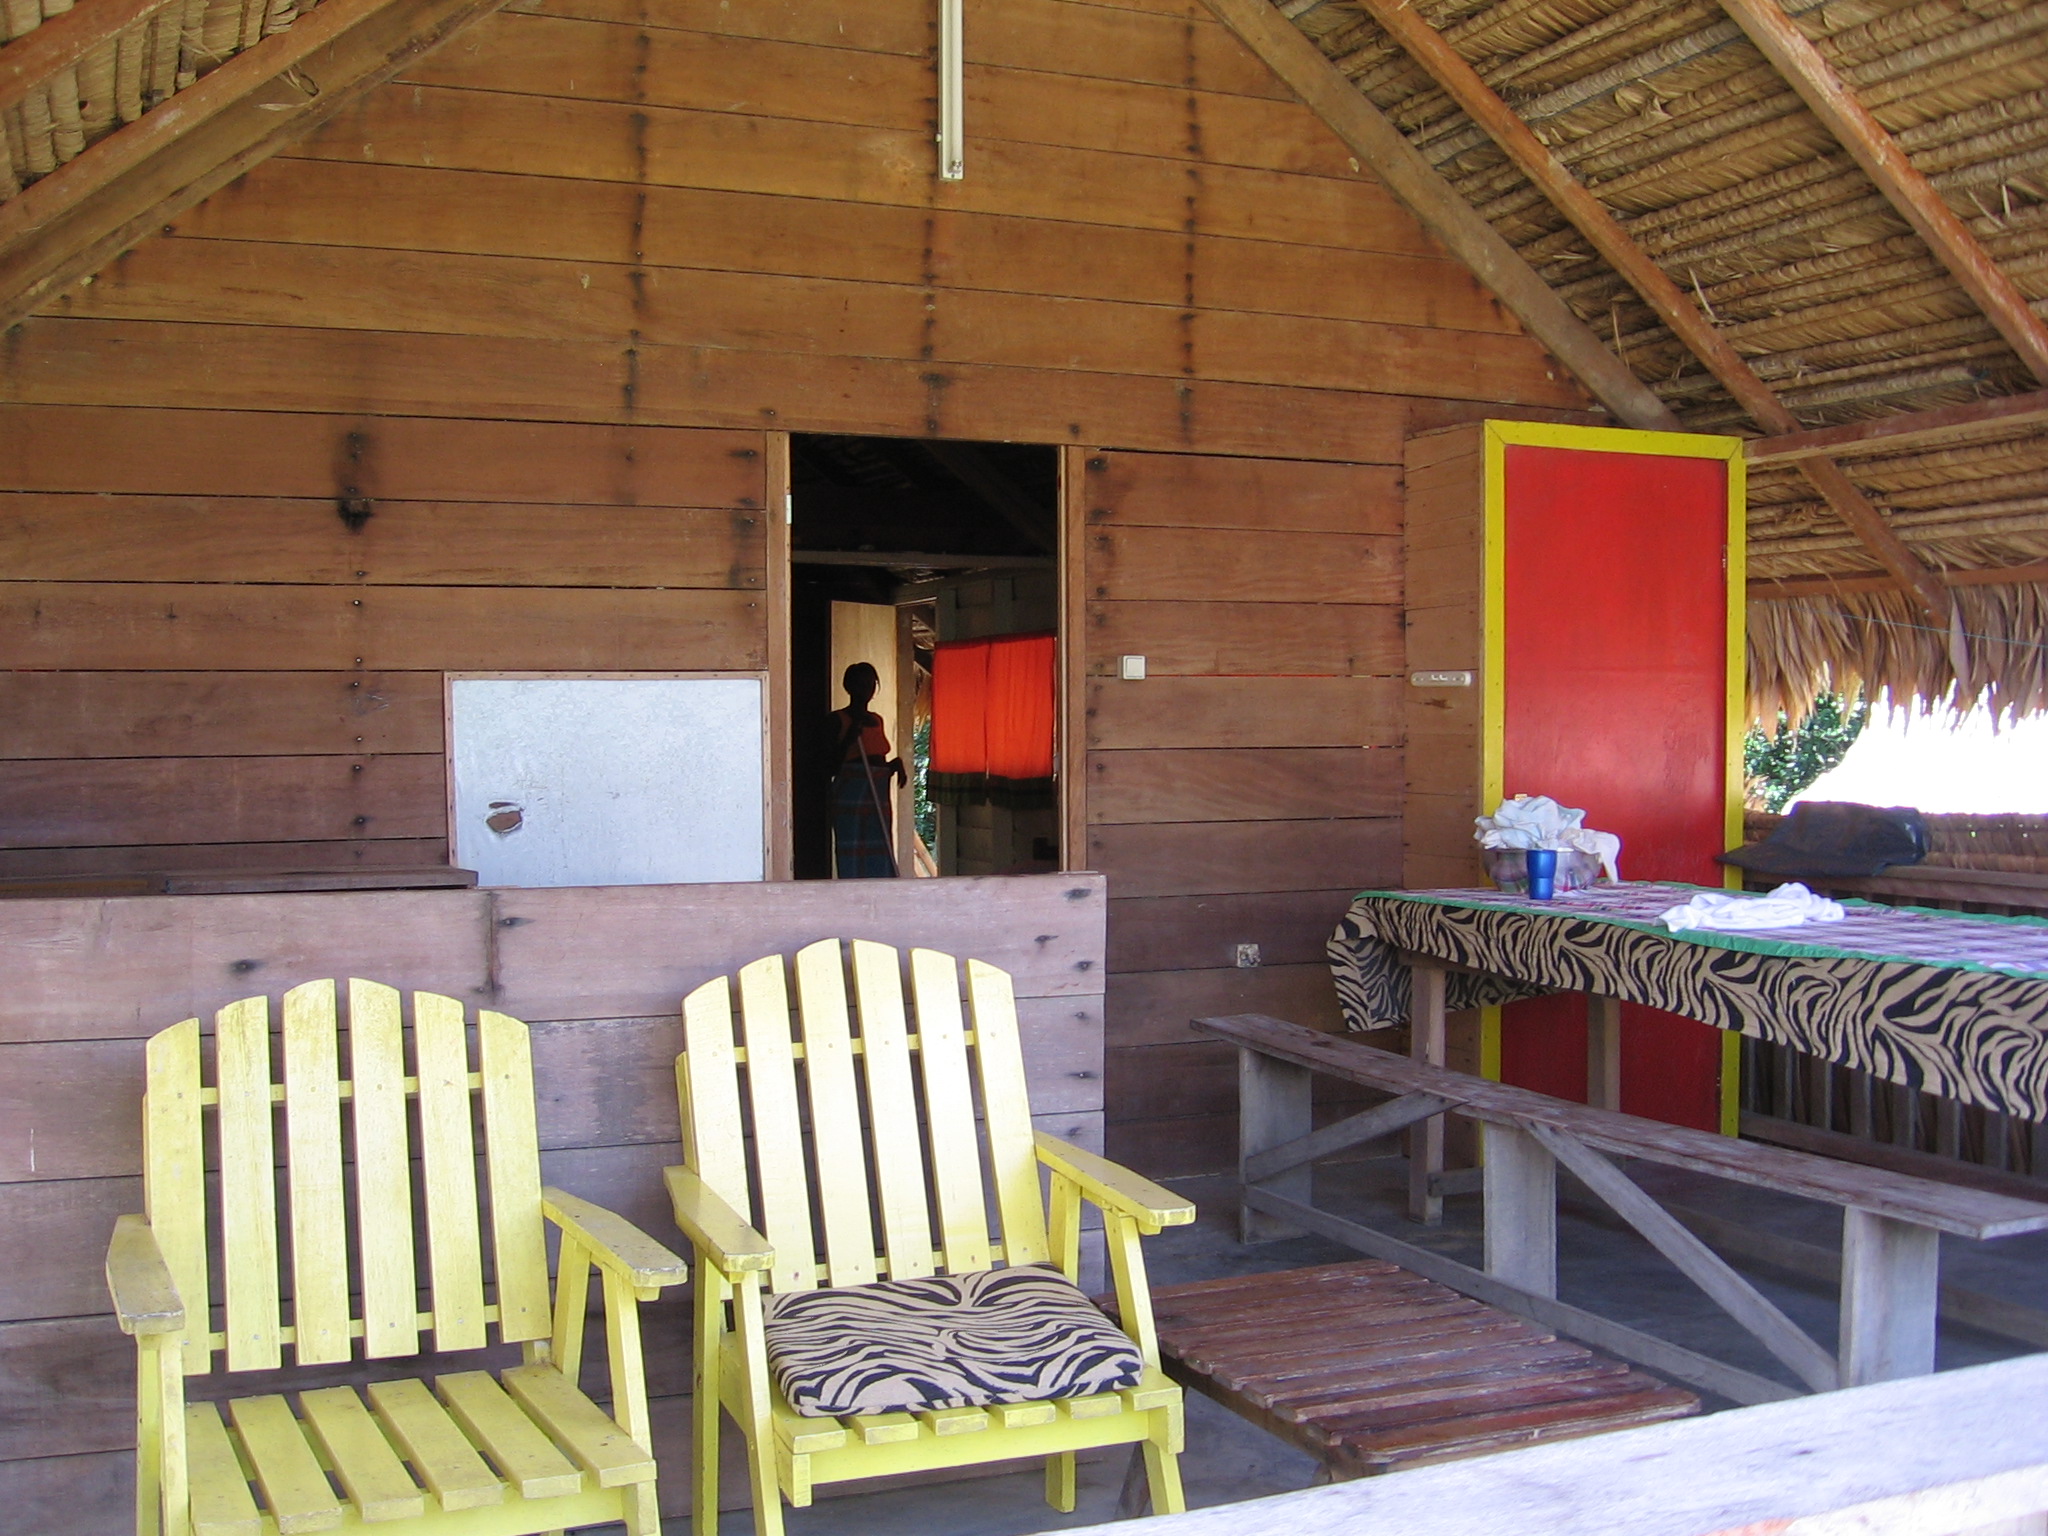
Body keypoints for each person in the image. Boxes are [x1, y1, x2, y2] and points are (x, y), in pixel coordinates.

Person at [830, 662, 906, 878]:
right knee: (852, 848)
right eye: (860, 684)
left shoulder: (876, 720)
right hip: (851, 798)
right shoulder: (838, 720)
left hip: (877, 798)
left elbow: (878, 761)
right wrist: (849, 738)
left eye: (871, 684)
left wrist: (894, 765)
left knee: (880, 847)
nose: (866, 689)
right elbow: (830, 766)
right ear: (848, 686)